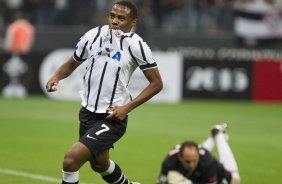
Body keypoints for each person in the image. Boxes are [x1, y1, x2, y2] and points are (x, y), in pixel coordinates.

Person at [46, 1, 163, 184]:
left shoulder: (136, 45)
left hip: (112, 116)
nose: (115, 21)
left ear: (133, 23)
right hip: (87, 112)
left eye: (121, 18)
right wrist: (56, 76)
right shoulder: (93, 35)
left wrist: (126, 108)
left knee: (71, 161)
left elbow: (156, 84)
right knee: (99, 164)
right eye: (112, 16)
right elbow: (72, 62)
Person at [157, 123, 240, 184]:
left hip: (222, 175)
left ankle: (219, 136)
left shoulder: (208, 162)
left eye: (194, 160)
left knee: (236, 181)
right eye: (188, 161)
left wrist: (188, 183)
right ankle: (214, 135)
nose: (191, 165)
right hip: (198, 170)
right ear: (180, 157)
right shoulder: (169, 162)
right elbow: (161, 182)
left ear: (198, 156)